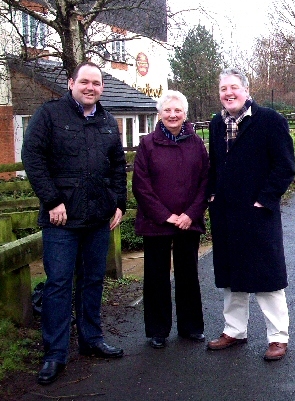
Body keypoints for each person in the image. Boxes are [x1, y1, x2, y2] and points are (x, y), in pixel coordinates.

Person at [21, 61, 127, 385]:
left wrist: (119, 203)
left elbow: (117, 166)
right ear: (71, 83)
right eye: (84, 82)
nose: (90, 87)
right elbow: (32, 157)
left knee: (92, 280)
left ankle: (91, 339)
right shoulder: (49, 115)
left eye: (96, 83)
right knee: (58, 285)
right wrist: (52, 200)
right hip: (61, 219)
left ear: (101, 88)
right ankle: (55, 354)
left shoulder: (108, 121)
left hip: (97, 218)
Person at [206, 68, 295, 361]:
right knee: (232, 277)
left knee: (267, 277)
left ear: (246, 90)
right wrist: (212, 195)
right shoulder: (217, 124)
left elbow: (285, 166)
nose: (228, 93)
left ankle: (278, 338)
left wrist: (264, 201)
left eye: (233, 88)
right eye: (223, 89)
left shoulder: (270, 121)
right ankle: (234, 331)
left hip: (258, 215)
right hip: (227, 215)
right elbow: (215, 165)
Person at [131, 90, 209, 349]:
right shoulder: (147, 144)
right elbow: (141, 186)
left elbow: (205, 182)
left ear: (185, 114)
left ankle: (190, 327)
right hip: (156, 223)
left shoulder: (196, 143)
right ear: (160, 114)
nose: (173, 115)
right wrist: (166, 216)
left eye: (177, 111)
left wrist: (190, 214)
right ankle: (158, 330)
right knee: (156, 276)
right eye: (167, 110)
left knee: (188, 275)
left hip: (189, 222)